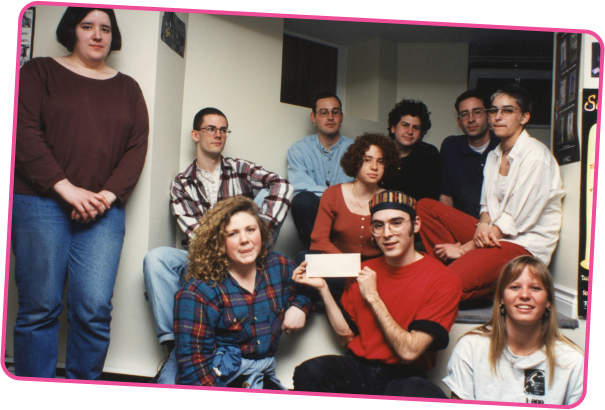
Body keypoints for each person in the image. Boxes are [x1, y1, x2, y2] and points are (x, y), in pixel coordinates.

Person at [12, 7, 149, 379]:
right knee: (40, 307)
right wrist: (67, 189)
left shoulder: (129, 89)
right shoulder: (39, 71)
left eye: (105, 28)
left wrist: (104, 197)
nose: (97, 35)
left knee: (94, 310)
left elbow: (136, 150)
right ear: (72, 30)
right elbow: (23, 135)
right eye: (87, 26)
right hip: (40, 202)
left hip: (104, 211)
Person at [143, 107, 293, 384]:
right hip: (200, 254)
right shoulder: (182, 183)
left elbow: (282, 185)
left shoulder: (239, 168)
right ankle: (175, 342)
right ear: (195, 134)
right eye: (211, 128)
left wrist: (256, 232)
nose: (218, 134)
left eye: (223, 129)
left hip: (243, 256)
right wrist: (222, 240)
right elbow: (196, 235)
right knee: (156, 258)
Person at [292, 191, 461, 397]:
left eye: (396, 223)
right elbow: (346, 338)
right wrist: (323, 289)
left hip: (404, 376)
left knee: (423, 393)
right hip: (359, 368)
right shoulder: (364, 269)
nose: (386, 233)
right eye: (378, 225)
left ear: (415, 225)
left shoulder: (443, 279)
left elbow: (409, 352)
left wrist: (373, 297)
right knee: (310, 371)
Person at [417, 85, 564, 302]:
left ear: (524, 117)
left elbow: (514, 221)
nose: (498, 117)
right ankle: (467, 271)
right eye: (494, 111)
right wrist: (482, 224)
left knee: (441, 287)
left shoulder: (535, 156)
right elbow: (486, 206)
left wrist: (464, 248)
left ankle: (489, 285)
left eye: (507, 111)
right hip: (493, 236)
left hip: (522, 245)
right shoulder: (496, 154)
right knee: (425, 207)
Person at [174, 197, 313, 387]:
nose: (245, 240)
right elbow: (195, 371)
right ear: (218, 242)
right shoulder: (199, 291)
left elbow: (308, 287)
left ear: (261, 232)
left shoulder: (277, 265)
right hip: (218, 373)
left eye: (250, 230)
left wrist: (299, 307)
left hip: (263, 371)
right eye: (232, 234)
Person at [443, 256, 584, 404]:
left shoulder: (573, 362)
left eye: (535, 288)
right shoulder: (470, 348)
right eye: (515, 287)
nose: (524, 295)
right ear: (502, 298)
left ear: (548, 301)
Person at [287, 92, 355, 249]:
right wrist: (333, 197)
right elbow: (299, 187)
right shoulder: (298, 149)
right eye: (324, 112)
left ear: (342, 117)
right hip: (315, 216)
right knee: (303, 200)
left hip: (348, 213)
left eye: (335, 112)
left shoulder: (356, 149)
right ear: (313, 118)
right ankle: (321, 253)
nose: (330, 117)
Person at [439, 90, 500, 218]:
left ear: (489, 117)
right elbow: (446, 197)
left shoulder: (502, 145)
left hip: (496, 227)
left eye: (477, 112)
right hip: (462, 225)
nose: (471, 119)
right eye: (464, 114)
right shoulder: (450, 147)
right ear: (459, 122)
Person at [380, 99, 440, 201]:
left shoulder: (429, 154)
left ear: (421, 133)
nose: (410, 131)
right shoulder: (380, 153)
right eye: (405, 125)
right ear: (393, 128)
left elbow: (430, 199)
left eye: (416, 128)